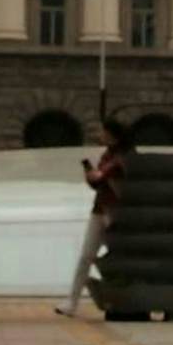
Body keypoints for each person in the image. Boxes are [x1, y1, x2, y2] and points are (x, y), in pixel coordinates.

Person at [53, 119, 128, 319]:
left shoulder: (123, 155)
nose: (100, 135)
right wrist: (92, 175)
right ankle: (72, 301)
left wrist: (96, 175)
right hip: (100, 209)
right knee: (86, 255)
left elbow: (105, 174)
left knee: (119, 258)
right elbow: (98, 182)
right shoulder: (107, 155)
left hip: (116, 212)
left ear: (113, 134)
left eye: (103, 131)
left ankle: (121, 300)